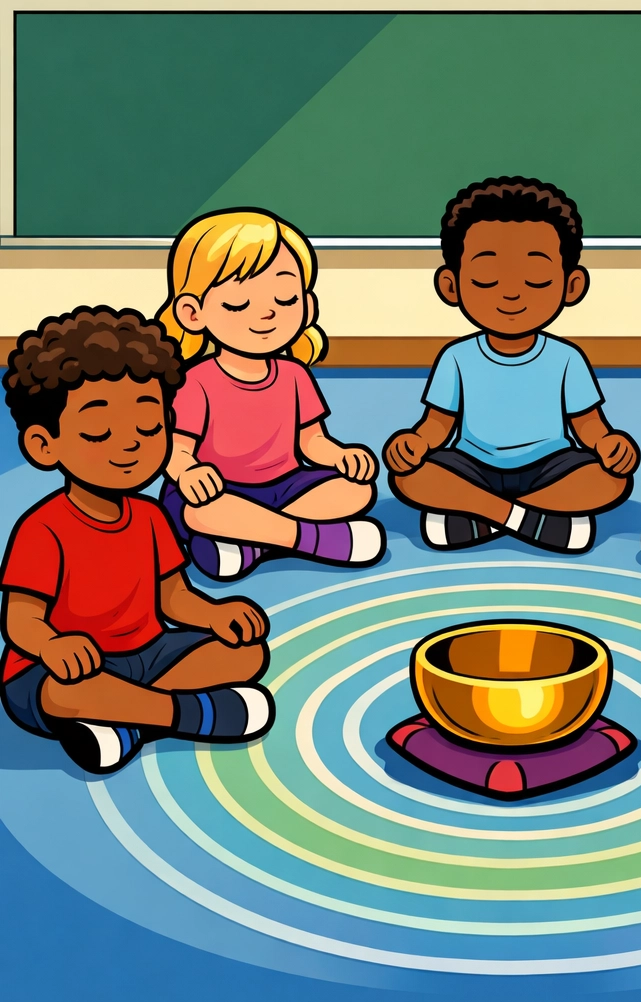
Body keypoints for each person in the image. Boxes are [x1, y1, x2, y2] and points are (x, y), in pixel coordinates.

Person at [1, 307, 273, 775]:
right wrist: (52, 647)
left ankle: (126, 722)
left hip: (147, 654)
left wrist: (214, 614)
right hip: (56, 671)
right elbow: (21, 620)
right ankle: (183, 716)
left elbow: (174, 597)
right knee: (66, 693)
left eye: (148, 428)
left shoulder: (149, 516)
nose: (129, 445)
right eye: (98, 432)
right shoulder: (43, 528)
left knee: (247, 653)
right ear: (45, 445)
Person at [384, 177, 638, 554]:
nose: (512, 293)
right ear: (451, 285)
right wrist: (414, 443)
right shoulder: (457, 357)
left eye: (536, 278)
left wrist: (611, 445)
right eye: (486, 278)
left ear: (571, 285)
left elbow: (589, 427)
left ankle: (480, 518)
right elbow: (438, 424)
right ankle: (531, 521)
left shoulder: (566, 358)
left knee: (611, 479)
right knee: (408, 475)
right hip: (472, 464)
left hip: (551, 466)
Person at [158, 208, 384, 580]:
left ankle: (253, 542)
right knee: (202, 511)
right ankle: (312, 540)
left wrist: (342, 455)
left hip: (286, 487)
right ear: (192, 312)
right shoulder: (196, 381)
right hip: (216, 490)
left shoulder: (294, 375)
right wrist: (188, 473)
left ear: (307, 306)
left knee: (356, 490)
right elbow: (174, 449)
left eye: (285, 300)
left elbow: (311, 442)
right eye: (237, 304)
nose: (266, 315)